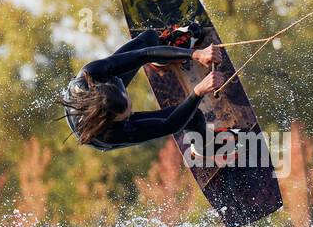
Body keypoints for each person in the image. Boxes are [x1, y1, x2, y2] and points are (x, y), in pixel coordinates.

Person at [61, 25, 224, 151]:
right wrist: (198, 92)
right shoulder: (109, 134)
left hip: (96, 94)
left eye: (127, 101)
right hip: (100, 130)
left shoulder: (91, 74)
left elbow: (143, 54)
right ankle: (207, 148)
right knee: (194, 117)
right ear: (116, 121)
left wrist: (195, 54)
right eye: (127, 114)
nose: (132, 106)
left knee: (149, 38)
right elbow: (170, 125)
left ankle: (164, 59)